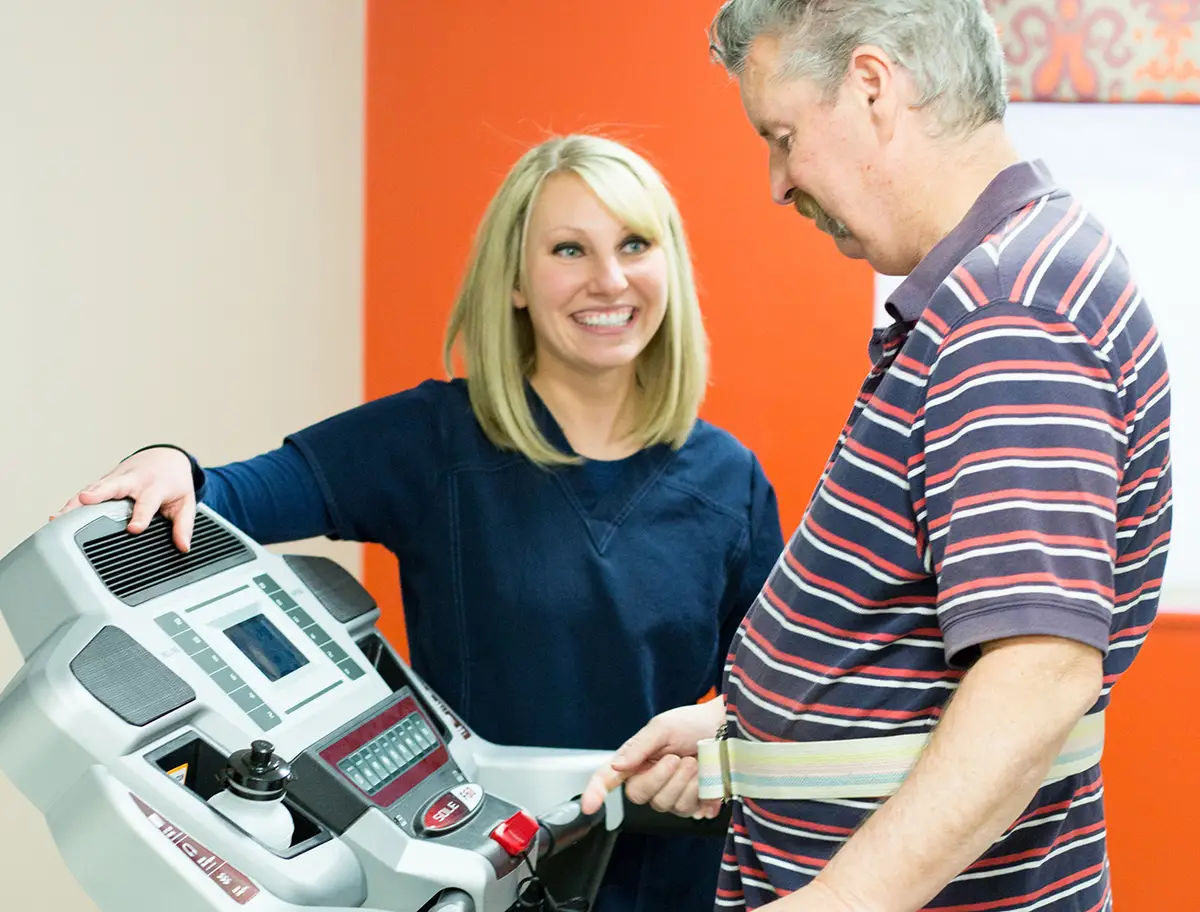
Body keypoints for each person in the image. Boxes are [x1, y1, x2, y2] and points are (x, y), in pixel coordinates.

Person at [57, 134, 785, 912]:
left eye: (634, 244)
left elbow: (776, 692)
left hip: (669, 884)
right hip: (478, 882)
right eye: (569, 249)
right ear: (515, 281)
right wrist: (172, 462)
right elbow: (228, 493)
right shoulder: (436, 439)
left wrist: (715, 736)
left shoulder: (729, 479)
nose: (608, 279)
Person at [582, 2, 1172, 911]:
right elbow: (914, 641)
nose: (778, 182)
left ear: (871, 87)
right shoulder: (1003, 281)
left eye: (782, 137)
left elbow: (1037, 674)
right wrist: (745, 734)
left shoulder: (1010, 313)